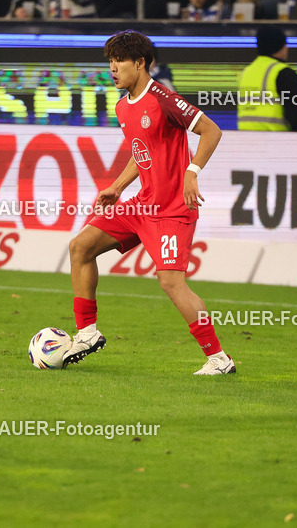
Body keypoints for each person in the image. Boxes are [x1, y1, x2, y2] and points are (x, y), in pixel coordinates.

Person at [64, 30, 234, 376]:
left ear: (140, 63)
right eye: (109, 62)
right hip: (141, 205)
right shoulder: (123, 105)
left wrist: (192, 171)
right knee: (80, 246)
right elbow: (142, 151)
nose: (113, 69)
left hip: (172, 209)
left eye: (119, 62)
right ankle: (87, 333)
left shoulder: (163, 99)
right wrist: (118, 186)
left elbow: (212, 131)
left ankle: (219, 359)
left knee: (171, 282)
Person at [237, 26, 297, 132]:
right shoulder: (284, 73)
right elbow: (295, 115)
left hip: (244, 139)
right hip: (275, 140)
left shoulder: (246, 72)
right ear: (280, 46)